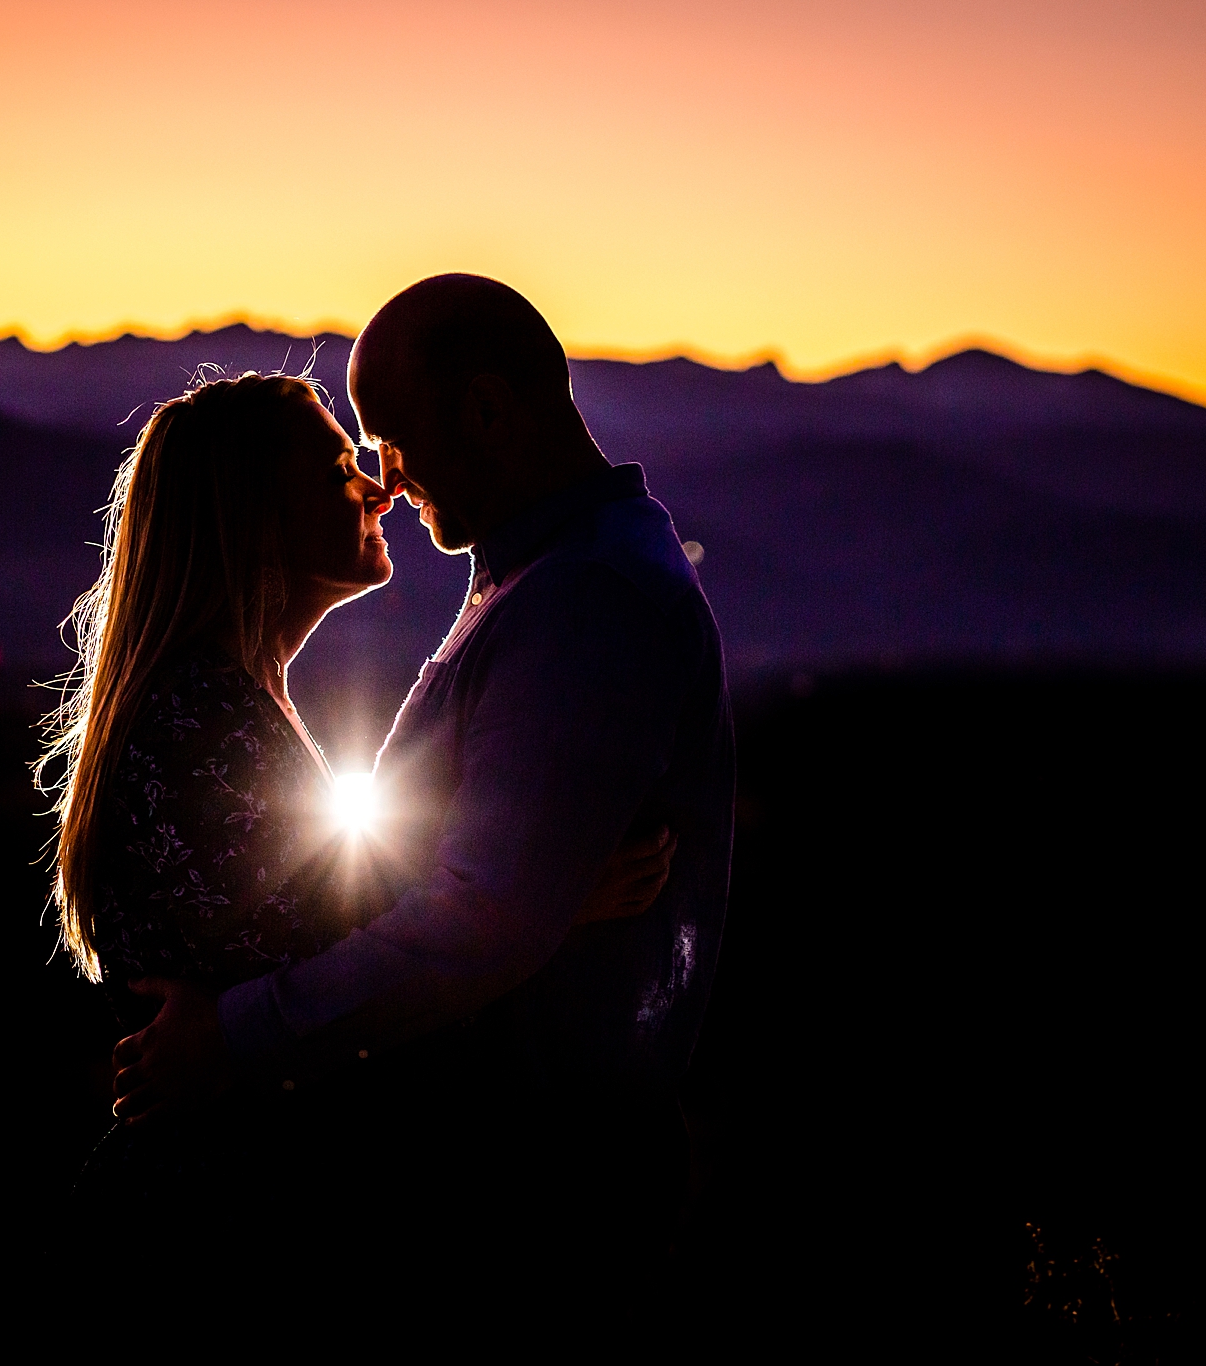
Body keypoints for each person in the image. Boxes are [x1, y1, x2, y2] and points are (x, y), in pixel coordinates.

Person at [105, 275, 735, 1264]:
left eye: (388, 438)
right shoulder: (535, 584)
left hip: (541, 1197)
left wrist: (517, 908)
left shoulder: (578, 601)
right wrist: (539, 900)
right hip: (407, 1193)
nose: (383, 480)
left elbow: (466, 927)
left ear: (485, 411)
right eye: (352, 458)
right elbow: (405, 914)